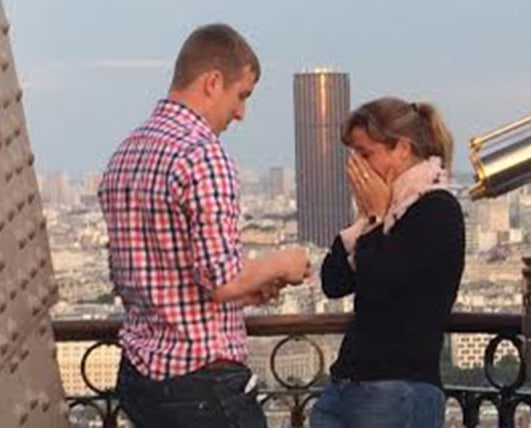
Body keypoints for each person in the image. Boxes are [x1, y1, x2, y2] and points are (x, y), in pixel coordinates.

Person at [97, 23, 310, 428]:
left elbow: (148, 279)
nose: (241, 113)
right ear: (213, 82)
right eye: (241, 95)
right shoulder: (202, 153)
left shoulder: (125, 154)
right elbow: (222, 278)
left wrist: (248, 289)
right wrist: (283, 262)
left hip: (142, 375)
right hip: (201, 382)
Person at [310, 97, 466, 427]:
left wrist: (378, 216)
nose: (357, 166)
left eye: (366, 154)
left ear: (402, 149)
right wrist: (368, 218)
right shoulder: (384, 213)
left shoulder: (436, 210)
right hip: (348, 385)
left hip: (398, 389)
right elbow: (333, 282)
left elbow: (381, 278)